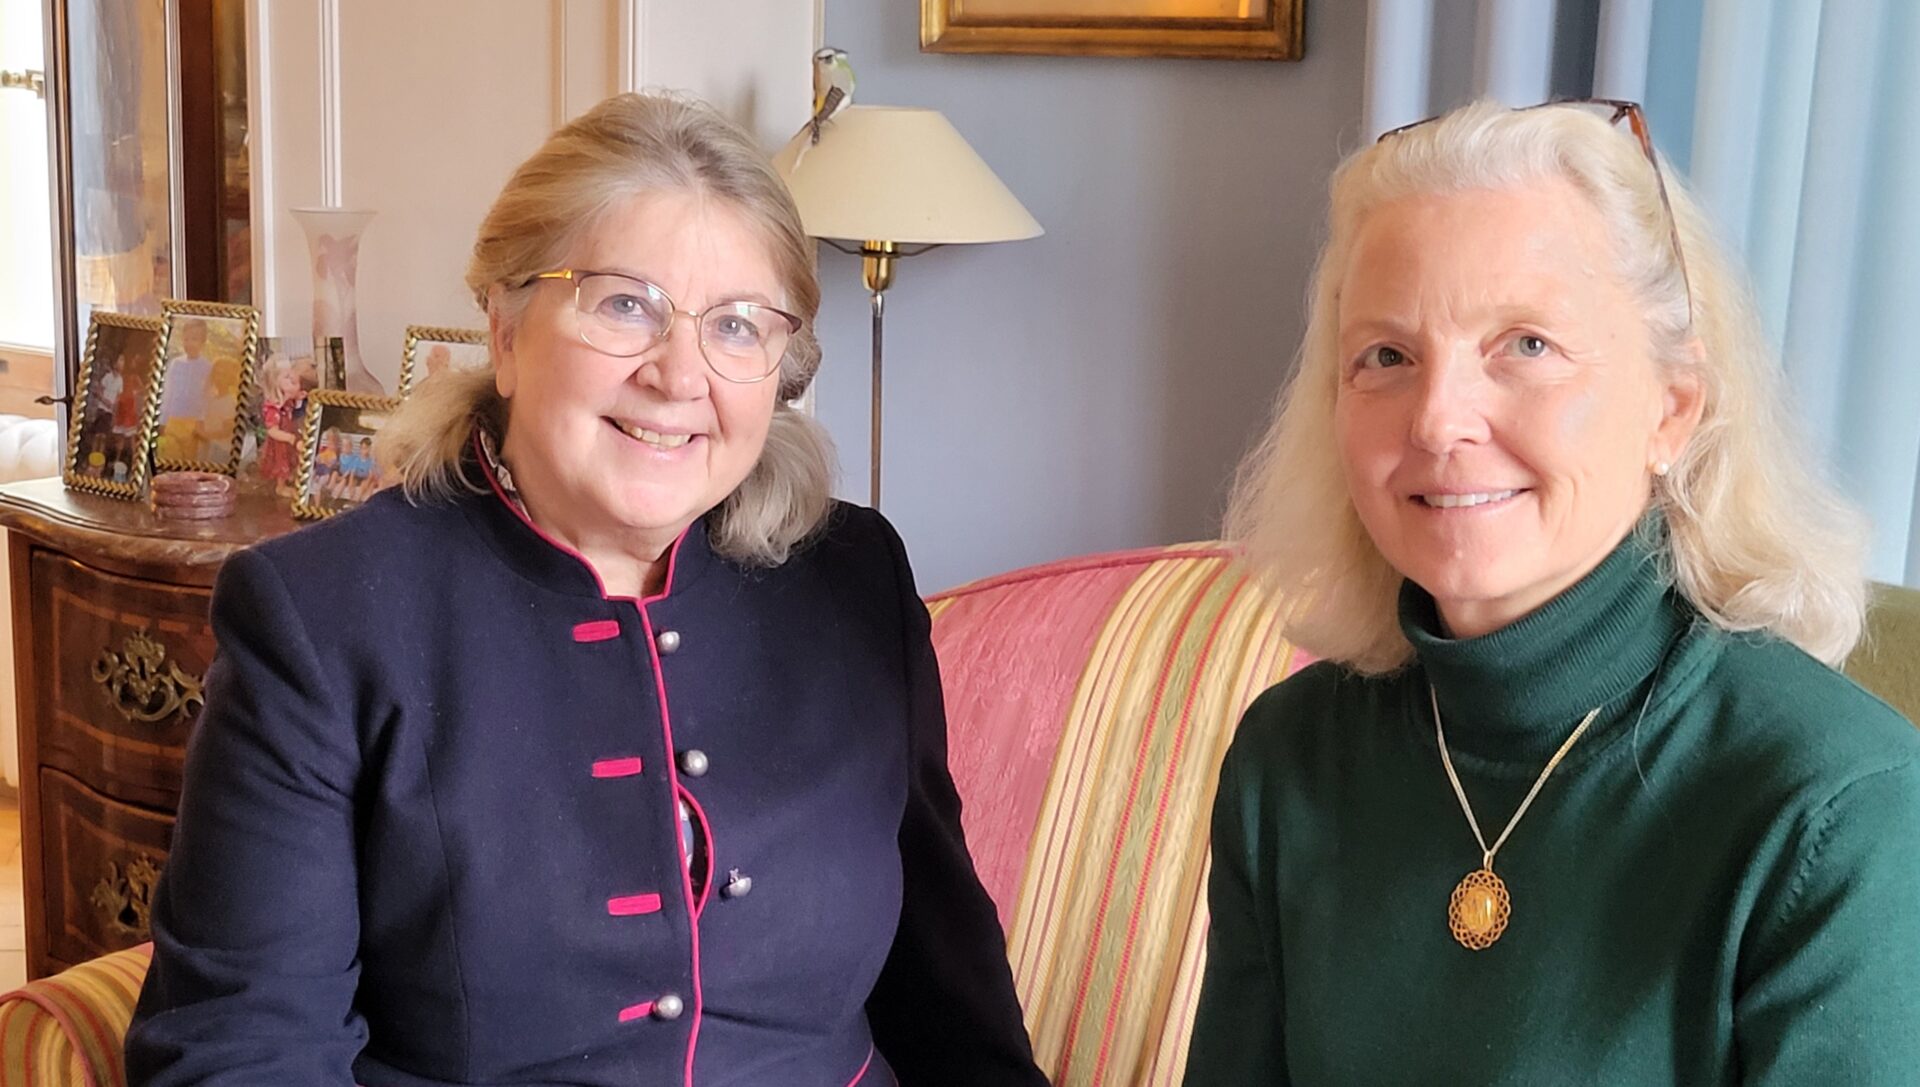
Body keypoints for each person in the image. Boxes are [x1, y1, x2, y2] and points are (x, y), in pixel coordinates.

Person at [127, 91, 1046, 1087]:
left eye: (737, 326)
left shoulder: (854, 576)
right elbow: (240, 1047)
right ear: (507, 326)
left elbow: (941, 977)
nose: (678, 374)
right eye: (624, 304)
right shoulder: (323, 613)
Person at [1185, 99, 1920, 1085]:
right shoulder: (1289, 759)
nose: (1441, 420)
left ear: (1672, 409)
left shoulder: (1838, 807)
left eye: (1525, 345)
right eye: (1387, 357)